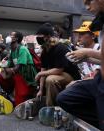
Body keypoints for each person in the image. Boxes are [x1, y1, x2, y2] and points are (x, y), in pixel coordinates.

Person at [57, 0, 104, 129]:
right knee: (64, 97)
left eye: (82, 34)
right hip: (97, 81)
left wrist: (87, 52)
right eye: (78, 34)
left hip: (99, 81)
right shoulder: (101, 23)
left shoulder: (94, 48)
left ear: (92, 35)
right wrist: (84, 58)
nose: (79, 38)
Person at [35, 23, 81, 106]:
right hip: (59, 74)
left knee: (50, 79)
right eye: (37, 36)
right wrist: (41, 90)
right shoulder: (45, 51)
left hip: (71, 75)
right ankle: (50, 107)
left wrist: (40, 73)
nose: (38, 38)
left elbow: (59, 69)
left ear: (48, 36)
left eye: (40, 36)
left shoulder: (60, 48)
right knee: (47, 77)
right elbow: (43, 69)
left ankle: (53, 107)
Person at [0, 31, 38, 106]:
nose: (8, 36)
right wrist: (4, 67)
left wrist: (6, 69)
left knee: (19, 98)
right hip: (17, 73)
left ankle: (20, 99)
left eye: (11, 35)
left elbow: (18, 67)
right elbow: (9, 64)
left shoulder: (22, 49)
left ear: (16, 39)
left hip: (26, 75)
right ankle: (11, 93)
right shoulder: (12, 51)